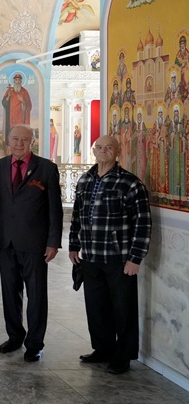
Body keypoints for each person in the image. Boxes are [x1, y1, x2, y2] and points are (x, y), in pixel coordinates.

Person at [69, 135, 152, 375]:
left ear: (118, 151)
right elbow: (77, 216)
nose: (103, 151)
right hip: (90, 256)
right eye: (99, 147)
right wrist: (74, 245)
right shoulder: (85, 180)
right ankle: (102, 349)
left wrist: (135, 258)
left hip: (119, 259)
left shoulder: (130, 183)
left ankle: (123, 356)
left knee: (123, 310)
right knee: (96, 308)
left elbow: (143, 223)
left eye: (109, 147)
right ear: (93, 150)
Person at [0, 125, 63, 362]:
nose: (19, 143)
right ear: (8, 141)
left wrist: (53, 242)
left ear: (32, 142)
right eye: (15, 139)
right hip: (6, 241)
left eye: (24, 139)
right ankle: (14, 336)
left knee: (36, 295)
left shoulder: (47, 168)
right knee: (9, 292)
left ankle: (34, 343)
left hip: (35, 243)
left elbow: (55, 209)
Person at [1, 73, 32, 147]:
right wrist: (8, 98)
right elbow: (4, 103)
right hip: (10, 116)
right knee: (11, 132)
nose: (17, 81)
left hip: (21, 117)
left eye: (19, 80)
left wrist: (23, 101)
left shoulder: (25, 92)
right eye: (16, 80)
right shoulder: (10, 91)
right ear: (14, 81)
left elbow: (29, 106)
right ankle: (10, 146)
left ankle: (20, 146)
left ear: (21, 81)